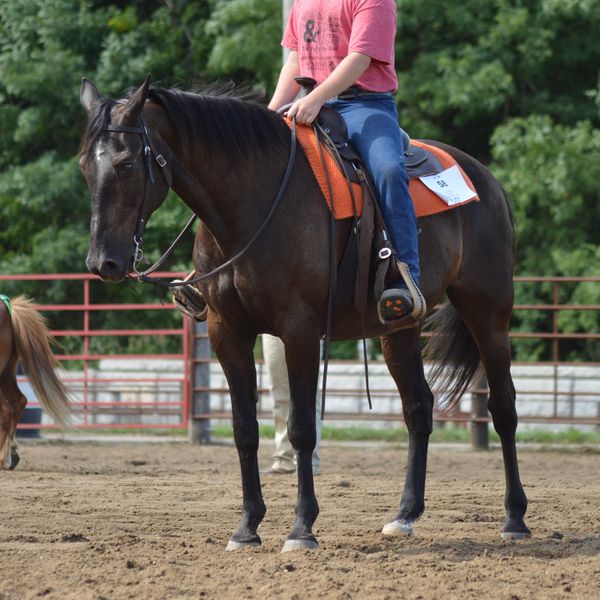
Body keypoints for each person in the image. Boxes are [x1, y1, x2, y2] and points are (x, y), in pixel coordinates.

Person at [269, 0, 423, 322]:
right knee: (250, 160)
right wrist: (269, 114)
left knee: (388, 169)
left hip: (363, 105)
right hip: (309, 101)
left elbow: (360, 59)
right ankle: (214, 271)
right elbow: (295, 59)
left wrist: (316, 98)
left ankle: (405, 277)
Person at [262, 334, 322, 475]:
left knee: (307, 391)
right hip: (269, 326)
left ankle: (309, 459)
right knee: (278, 392)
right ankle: (284, 457)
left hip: (303, 321)